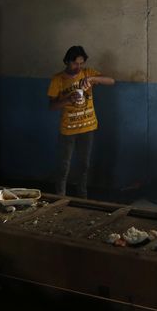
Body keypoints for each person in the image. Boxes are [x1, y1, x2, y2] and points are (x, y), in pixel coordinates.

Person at [47, 45, 114, 197]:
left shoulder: (87, 73)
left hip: (87, 127)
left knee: (84, 165)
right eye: (75, 63)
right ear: (66, 62)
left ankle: (82, 195)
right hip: (68, 129)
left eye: (81, 63)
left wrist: (92, 78)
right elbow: (51, 106)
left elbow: (111, 81)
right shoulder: (58, 79)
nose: (78, 67)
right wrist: (69, 99)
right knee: (64, 165)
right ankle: (60, 196)